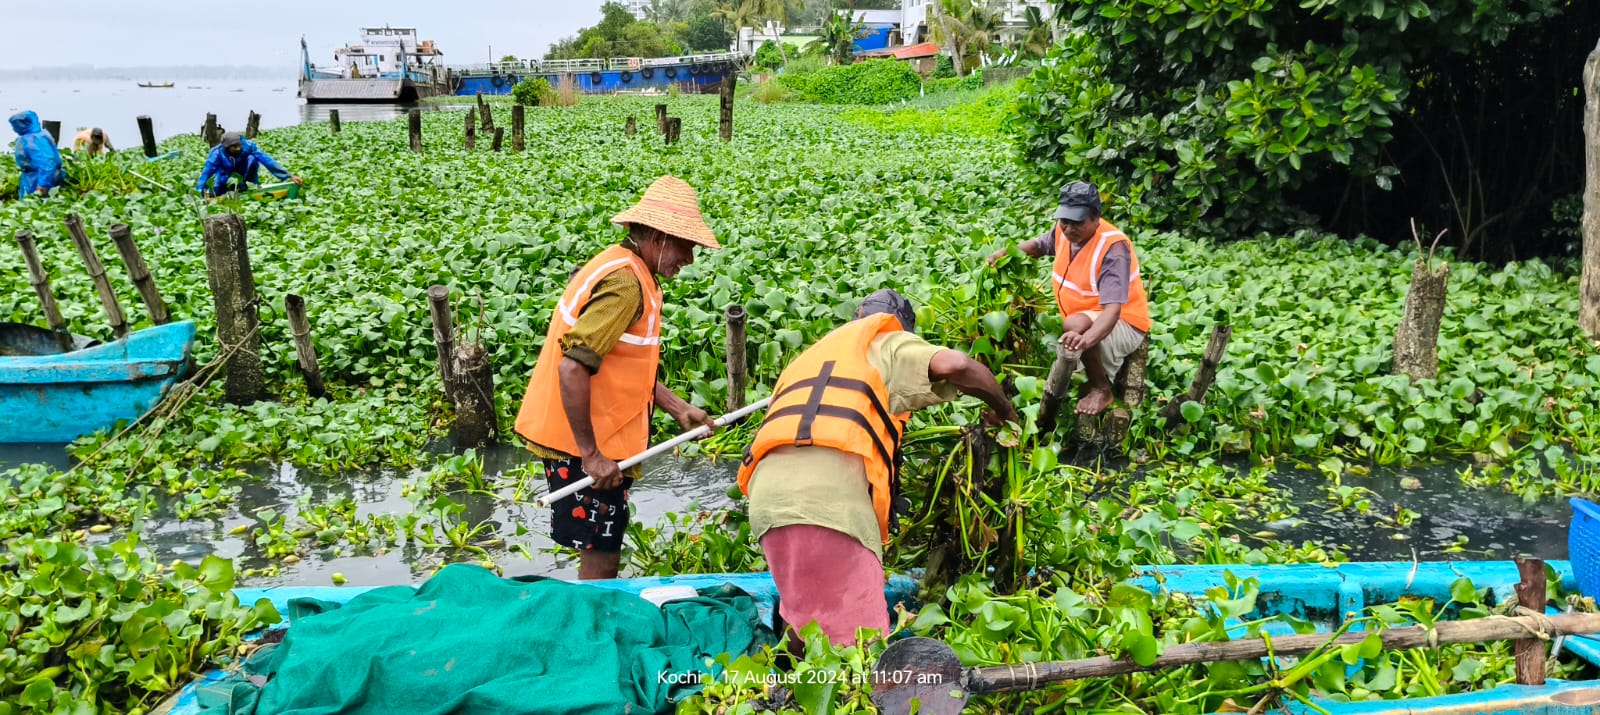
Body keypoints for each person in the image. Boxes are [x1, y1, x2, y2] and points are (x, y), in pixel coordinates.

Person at [738, 289, 1019, 645]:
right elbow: (959, 366)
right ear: (903, 329)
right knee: (865, 647)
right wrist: (1005, 413)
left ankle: (789, 690)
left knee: (803, 618)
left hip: (768, 502)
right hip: (827, 505)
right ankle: (853, 692)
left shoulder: (816, 353)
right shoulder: (888, 339)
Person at [513, 175, 721, 580]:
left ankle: (591, 619)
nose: (690, 259)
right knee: (601, 550)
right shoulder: (626, 284)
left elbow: (613, 364)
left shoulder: (621, 263)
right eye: (686, 246)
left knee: (603, 541)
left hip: (590, 438)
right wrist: (592, 456)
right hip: (583, 444)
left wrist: (678, 408)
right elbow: (573, 367)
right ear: (659, 237)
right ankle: (592, 632)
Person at [988, 181, 1152, 416]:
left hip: (1125, 322)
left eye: (1077, 222)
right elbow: (1039, 246)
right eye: (1064, 221)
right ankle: (1086, 373)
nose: (1068, 228)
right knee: (1075, 329)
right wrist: (1005, 254)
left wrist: (1085, 341)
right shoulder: (1064, 231)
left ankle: (1102, 388)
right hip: (1087, 318)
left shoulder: (1113, 248)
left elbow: (1112, 312)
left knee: (1075, 328)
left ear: (1096, 218)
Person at [195, 131, 302, 196]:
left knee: (253, 159)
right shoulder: (217, 154)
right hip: (225, 179)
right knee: (219, 191)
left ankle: (250, 186)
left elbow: (267, 160)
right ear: (227, 147)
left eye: (239, 145)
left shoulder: (247, 146)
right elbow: (207, 173)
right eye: (234, 147)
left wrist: (289, 175)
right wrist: (199, 191)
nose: (238, 148)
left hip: (244, 176)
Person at [9, 111, 63, 199]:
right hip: (30, 176)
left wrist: (43, 184)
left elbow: (47, 162)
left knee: (36, 204)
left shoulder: (35, 139)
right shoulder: (34, 135)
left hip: (37, 178)